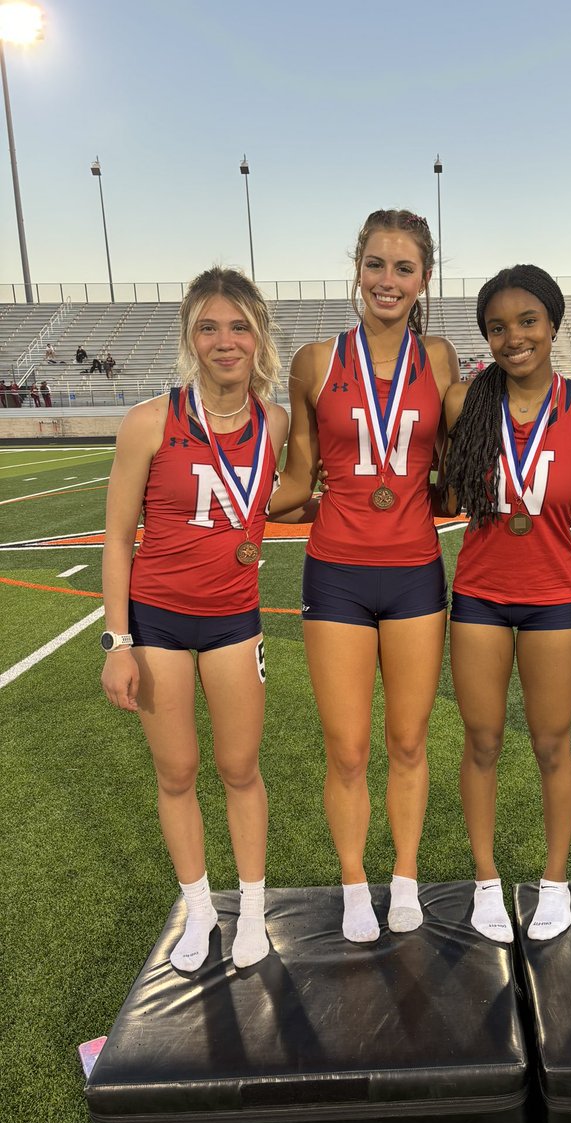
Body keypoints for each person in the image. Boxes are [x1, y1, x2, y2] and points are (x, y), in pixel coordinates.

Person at [270, 209, 459, 943]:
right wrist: (227, 511)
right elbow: (296, 477)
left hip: (414, 571)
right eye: (376, 264)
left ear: (423, 280)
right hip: (338, 572)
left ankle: (404, 875)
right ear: (358, 269)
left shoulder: (439, 359)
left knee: (409, 742)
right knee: (346, 748)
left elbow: (452, 469)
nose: (388, 279)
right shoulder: (316, 361)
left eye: (403, 268)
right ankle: (355, 883)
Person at [100, 266, 289, 973]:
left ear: (258, 336)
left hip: (235, 621)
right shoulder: (150, 421)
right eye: (209, 327)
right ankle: (200, 907)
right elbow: (118, 537)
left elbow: (291, 499)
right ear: (190, 336)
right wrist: (118, 641)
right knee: (176, 771)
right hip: (158, 623)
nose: (225, 340)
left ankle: (252, 905)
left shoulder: (276, 422)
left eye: (238, 326)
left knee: (239, 767)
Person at [443, 266, 571, 943]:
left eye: (527, 321)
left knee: (554, 745)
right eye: (498, 327)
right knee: (484, 741)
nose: (513, 336)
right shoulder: (464, 403)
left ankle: (555, 884)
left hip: (553, 596)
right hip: (479, 598)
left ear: (553, 324)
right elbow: (443, 496)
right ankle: (486, 881)